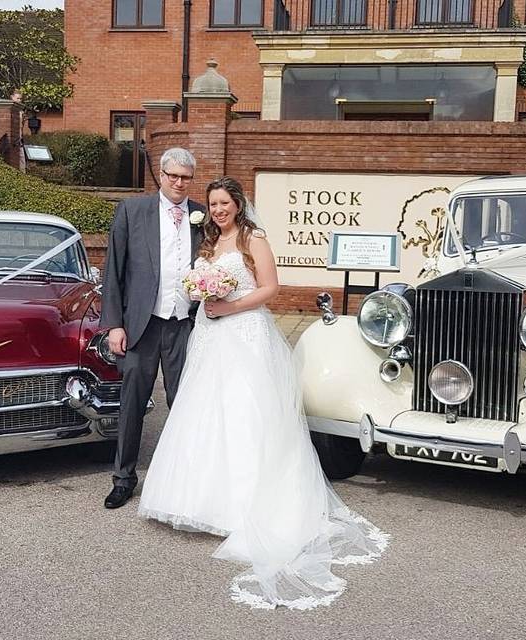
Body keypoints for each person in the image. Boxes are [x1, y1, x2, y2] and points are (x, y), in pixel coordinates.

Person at [137, 177, 389, 610]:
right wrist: (200, 295)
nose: (217, 210)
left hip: (245, 333)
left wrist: (228, 306)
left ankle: (245, 507)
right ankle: (199, 501)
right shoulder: (209, 240)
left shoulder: (254, 238)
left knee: (245, 412)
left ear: (237, 203)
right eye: (213, 203)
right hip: (210, 336)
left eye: (224, 203)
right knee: (205, 411)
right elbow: (199, 284)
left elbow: (271, 289)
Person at [99, 147, 206, 509]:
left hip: (184, 326)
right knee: (132, 403)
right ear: (160, 175)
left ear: (193, 179)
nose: (179, 182)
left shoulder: (201, 216)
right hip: (141, 326)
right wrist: (113, 324)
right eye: (172, 175)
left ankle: (183, 479)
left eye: (186, 177)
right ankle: (123, 478)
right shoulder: (133, 210)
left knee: (184, 403)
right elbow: (112, 270)